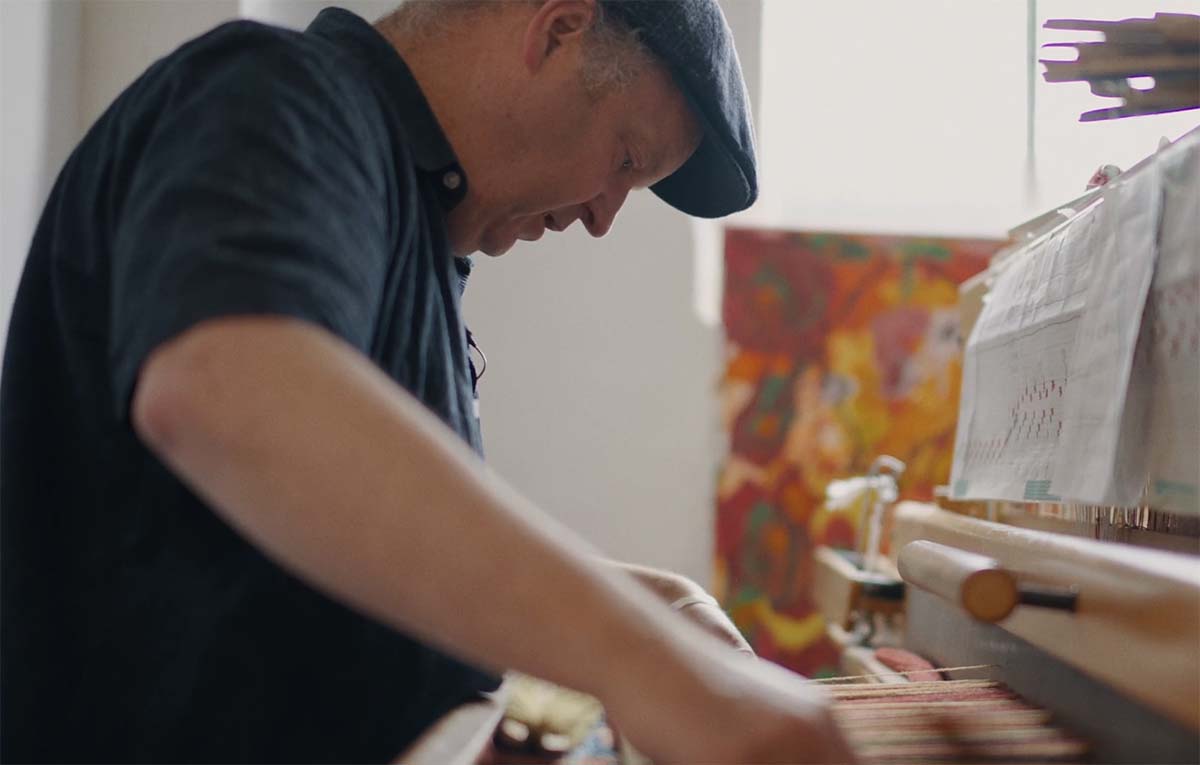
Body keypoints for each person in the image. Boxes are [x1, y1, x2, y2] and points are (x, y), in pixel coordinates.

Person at [0, 0, 855, 762]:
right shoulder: (274, 93)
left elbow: (333, 551)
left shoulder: (411, 226)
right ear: (558, 29)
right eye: (625, 159)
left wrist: (654, 602)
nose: (603, 216)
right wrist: (649, 663)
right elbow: (223, 389)